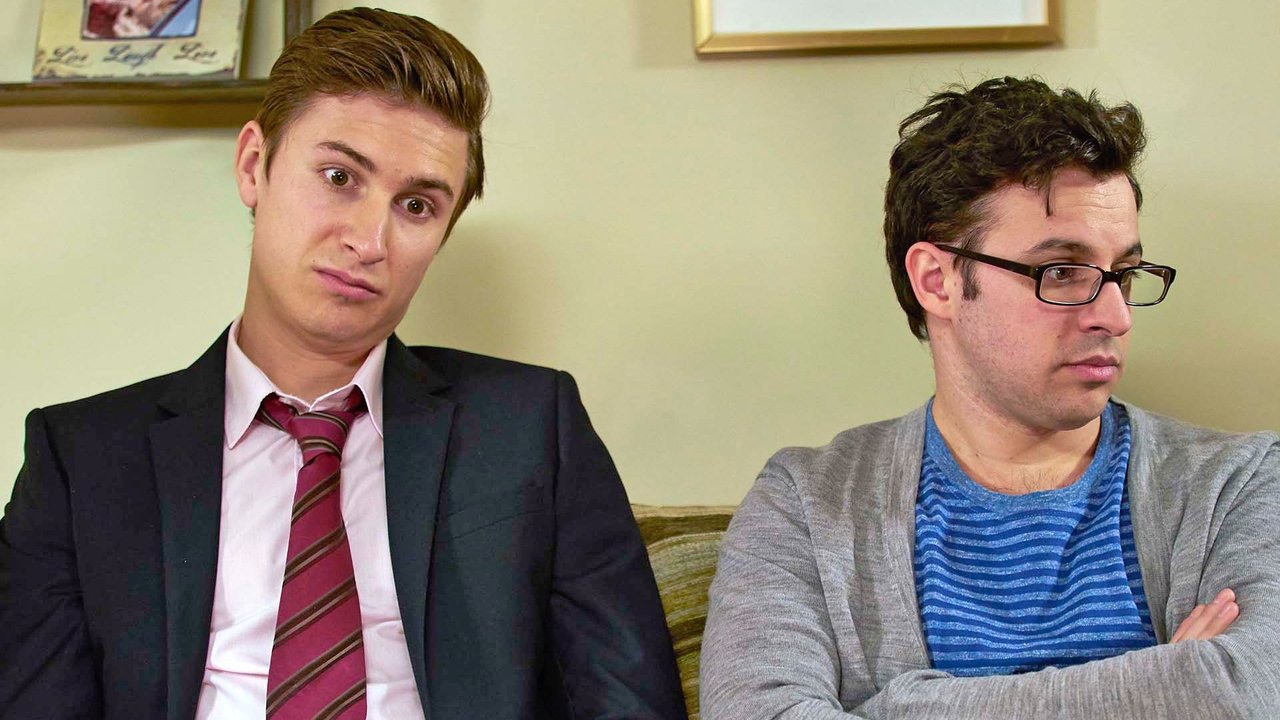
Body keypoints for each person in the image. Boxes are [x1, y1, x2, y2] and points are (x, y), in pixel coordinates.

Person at [0, 8, 686, 720]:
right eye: (339, 176)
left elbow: (630, 701)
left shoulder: (531, 425)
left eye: (416, 205)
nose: (369, 239)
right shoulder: (81, 458)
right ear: (253, 166)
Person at [700, 77, 1280, 719]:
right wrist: (1173, 684)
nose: (1115, 316)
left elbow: (1245, 693)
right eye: (1063, 272)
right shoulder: (807, 504)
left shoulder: (1239, 483)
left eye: (1123, 274)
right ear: (937, 281)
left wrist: (896, 705)